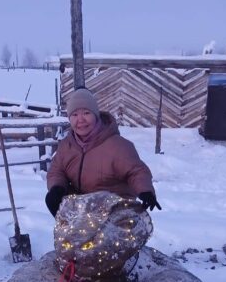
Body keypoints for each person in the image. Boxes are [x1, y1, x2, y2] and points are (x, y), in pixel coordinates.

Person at [45, 88, 161, 217]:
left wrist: (145, 191)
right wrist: (57, 188)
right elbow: (57, 171)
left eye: (86, 113)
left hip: (115, 210)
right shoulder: (67, 145)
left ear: (96, 115)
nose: (80, 120)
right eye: (75, 115)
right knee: (52, 200)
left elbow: (136, 171)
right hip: (82, 209)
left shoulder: (117, 146)